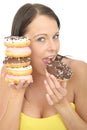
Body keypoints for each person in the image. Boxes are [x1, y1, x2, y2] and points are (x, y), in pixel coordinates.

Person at [0, 3, 87, 130]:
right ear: (21, 44)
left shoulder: (79, 72)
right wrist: (16, 94)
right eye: (41, 39)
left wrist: (62, 106)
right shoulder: (11, 74)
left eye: (55, 36)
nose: (53, 47)